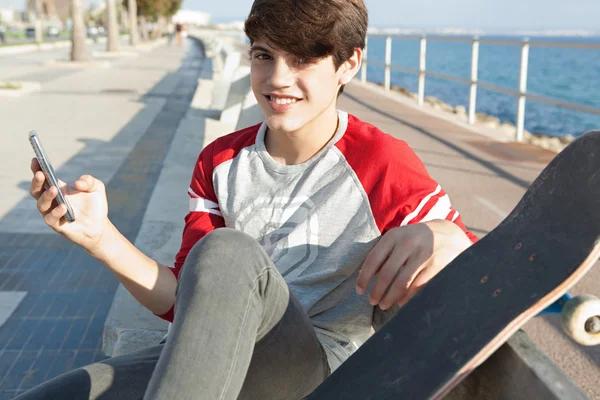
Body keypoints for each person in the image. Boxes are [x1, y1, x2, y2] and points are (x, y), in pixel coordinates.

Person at [20, 0, 477, 399]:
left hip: (312, 370)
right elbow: (186, 300)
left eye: (302, 59)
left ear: (349, 64)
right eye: (264, 55)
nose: (278, 79)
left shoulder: (379, 160)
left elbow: (479, 262)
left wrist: (444, 235)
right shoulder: (220, 161)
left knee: (228, 250)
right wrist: (100, 237)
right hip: (209, 354)